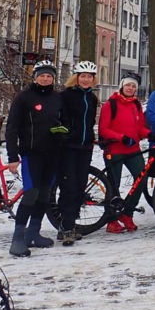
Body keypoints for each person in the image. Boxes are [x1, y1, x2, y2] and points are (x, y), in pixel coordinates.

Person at [6, 60, 66, 257]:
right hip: (32, 154)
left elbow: (62, 121)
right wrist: (12, 156)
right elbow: (12, 128)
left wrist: (62, 132)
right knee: (31, 193)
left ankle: (34, 233)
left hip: (53, 154)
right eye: (42, 75)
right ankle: (18, 239)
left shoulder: (57, 98)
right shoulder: (24, 98)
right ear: (35, 77)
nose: (45, 78)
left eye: (49, 76)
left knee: (44, 194)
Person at [99, 72, 151, 233]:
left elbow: (140, 127)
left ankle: (127, 213)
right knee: (113, 186)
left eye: (133, 86)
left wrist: (149, 133)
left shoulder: (136, 105)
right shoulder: (111, 104)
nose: (130, 88)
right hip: (114, 150)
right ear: (122, 86)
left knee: (141, 179)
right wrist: (121, 138)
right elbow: (103, 129)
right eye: (128, 85)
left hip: (132, 150)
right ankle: (111, 219)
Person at [56, 60, 99, 245]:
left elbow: (89, 122)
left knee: (80, 187)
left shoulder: (92, 98)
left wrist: (90, 137)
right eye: (83, 76)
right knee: (69, 187)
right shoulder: (66, 96)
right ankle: (65, 227)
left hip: (85, 147)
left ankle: (69, 225)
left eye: (89, 77)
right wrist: (67, 135)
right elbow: (59, 119)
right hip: (69, 148)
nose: (86, 80)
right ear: (76, 78)